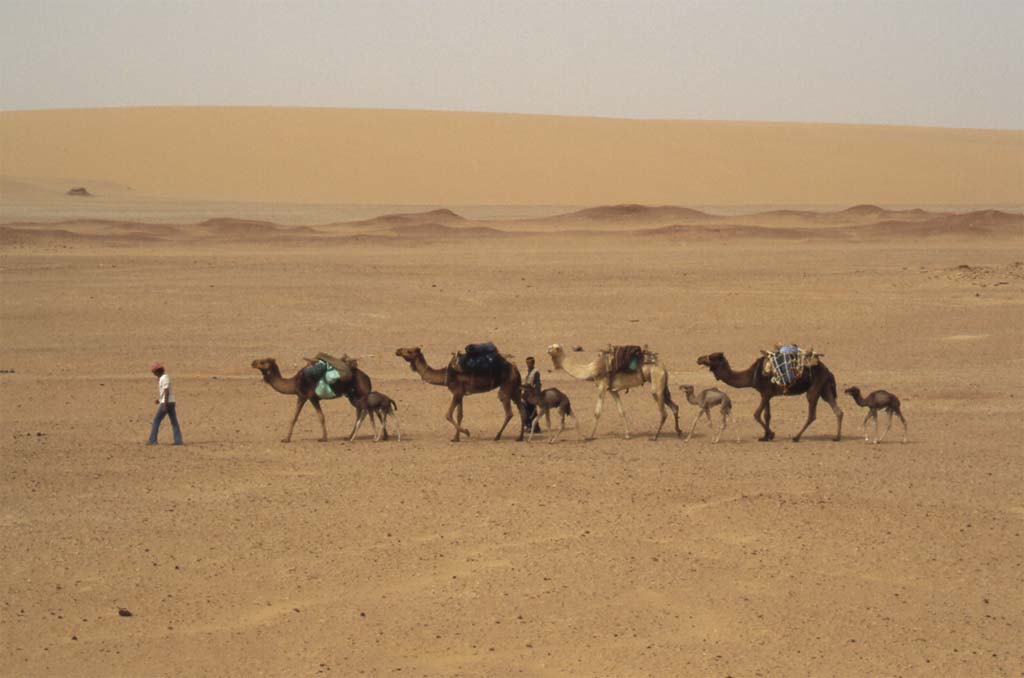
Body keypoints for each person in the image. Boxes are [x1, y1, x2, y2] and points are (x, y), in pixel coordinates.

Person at [148, 362, 183, 445]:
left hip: (167, 403)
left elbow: (167, 391)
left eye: (154, 372)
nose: (154, 374)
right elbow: (165, 392)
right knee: (174, 422)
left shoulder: (164, 378)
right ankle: (178, 441)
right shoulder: (163, 378)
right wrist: (160, 400)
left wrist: (165, 405)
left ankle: (152, 440)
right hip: (169, 402)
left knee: (156, 420)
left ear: (157, 371)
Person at [523, 356, 542, 434]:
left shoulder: (535, 372)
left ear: (533, 363)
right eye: (527, 363)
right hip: (527, 394)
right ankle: (531, 426)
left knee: (532, 411)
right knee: (527, 410)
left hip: (532, 395)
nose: (528, 365)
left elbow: (537, 384)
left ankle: (534, 427)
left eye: (529, 363)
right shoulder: (529, 372)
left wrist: (536, 395)